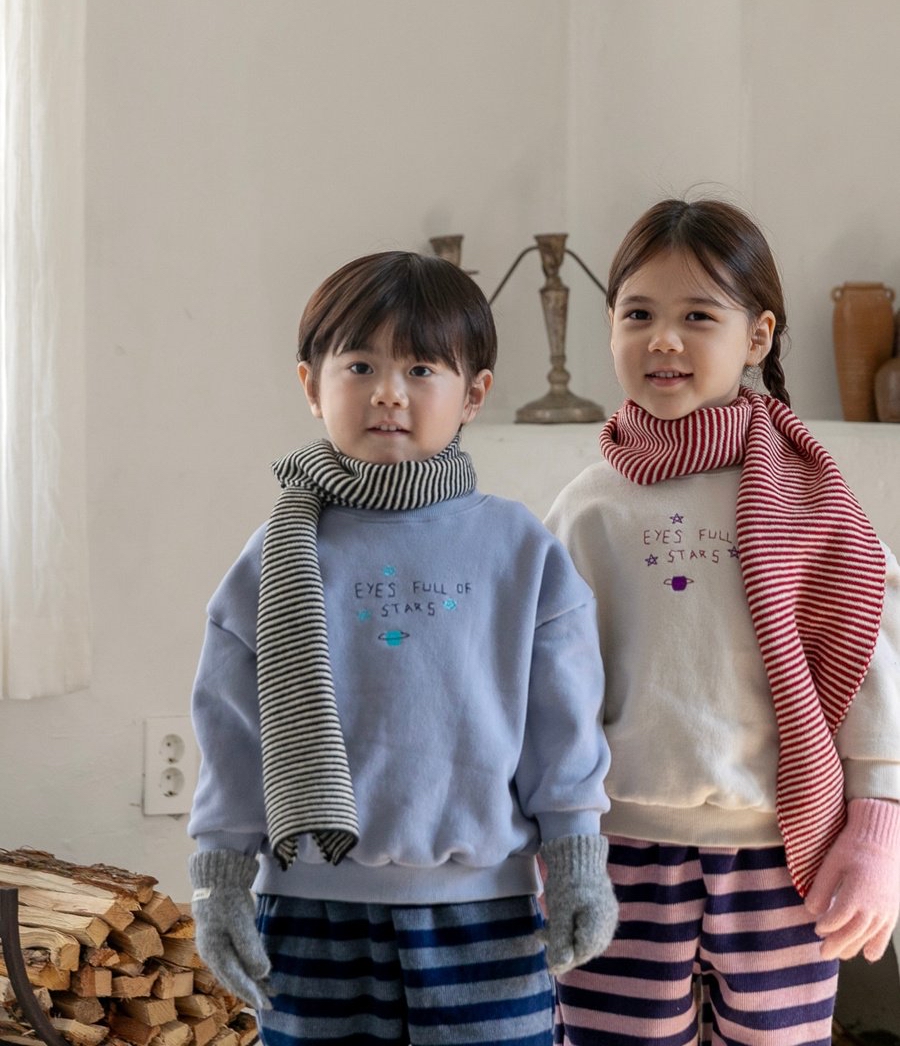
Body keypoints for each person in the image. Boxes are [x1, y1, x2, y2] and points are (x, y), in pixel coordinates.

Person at [186, 250, 619, 1046]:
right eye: (360, 365)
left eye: (421, 368)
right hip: (309, 913)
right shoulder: (277, 553)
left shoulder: (519, 549)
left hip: (487, 917)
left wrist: (578, 863)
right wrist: (219, 886)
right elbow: (233, 731)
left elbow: (564, 727)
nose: (389, 391)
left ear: (474, 395)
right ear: (311, 385)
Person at [545, 199, 900, 1045]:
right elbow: (542, 690)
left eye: (698, 316)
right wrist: (546, 839)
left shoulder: (811, 498)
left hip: (785, 853)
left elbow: (869, 661)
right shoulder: (588, 508)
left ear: (758, 336)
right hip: (616, 851)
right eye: (638, 315)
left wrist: (878, 828)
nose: (663, 340)